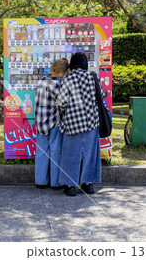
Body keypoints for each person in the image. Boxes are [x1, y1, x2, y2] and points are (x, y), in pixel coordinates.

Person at [55, 52, 102, 196]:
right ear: (85, 64)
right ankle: (88, 184)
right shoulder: (93, 77)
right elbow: (99, 98)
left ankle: (70, 186)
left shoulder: (68, 79)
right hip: (91, 122)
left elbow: (61, 103)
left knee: (71, 154)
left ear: (72, 65)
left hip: (73, 123)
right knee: (90, 154)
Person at [34, 58, 69, 189]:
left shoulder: (42, 80)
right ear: (61, 72)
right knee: (55, 152)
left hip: (40, 123)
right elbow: (63, 104)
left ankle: (40, 181)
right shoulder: (58, 84)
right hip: (53, 122)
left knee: (42, 152)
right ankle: (55, 183)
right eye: (65, 73)